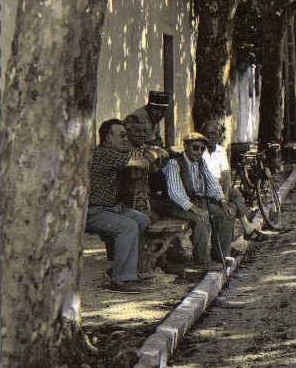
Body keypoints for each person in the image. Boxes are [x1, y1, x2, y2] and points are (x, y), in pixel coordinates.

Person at [85, 119, 154, 294]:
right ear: (107, 138)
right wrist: (149, 154)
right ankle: (121, 279)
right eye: (121, 135)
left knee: (141, 219)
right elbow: (142, 162)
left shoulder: (115, 153)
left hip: (112, 209)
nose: (126, 139)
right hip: (93, 211)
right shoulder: (104, 154)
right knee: (128, 227)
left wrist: (145, 153)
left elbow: (142, 157)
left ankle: (124, 269)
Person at [162, 132, 233, 270]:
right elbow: (176, 193)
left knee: (225, 214)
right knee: (201, 218)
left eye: (202, 149)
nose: (199, 152)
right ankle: (202, 261)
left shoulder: (201, 162)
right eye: (195, 148)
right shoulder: (174, 163)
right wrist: (195, 209)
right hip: (176, 204)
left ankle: (220, 256)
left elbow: (212, 183)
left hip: (196, 201)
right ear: (186, 146)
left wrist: (222, 200)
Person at [199, 119, 266, 243]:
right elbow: (205, 180)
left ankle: (245, 229)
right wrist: (222, 197)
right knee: (231, 204)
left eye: (214, 133)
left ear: (219, 135)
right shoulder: (199, 153)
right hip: (207, 192)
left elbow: (226, 175)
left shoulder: (221, 151)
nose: (211, 137)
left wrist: (225, 194)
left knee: (234, 193)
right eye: (208, 134)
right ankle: (246, 229)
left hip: (220, 187)